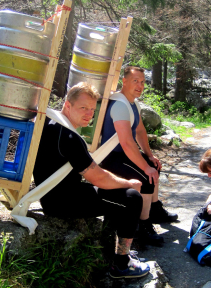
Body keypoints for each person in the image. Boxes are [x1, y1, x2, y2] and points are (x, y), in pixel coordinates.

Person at [33, 82, 150, 279]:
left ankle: (115, 249)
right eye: (83, 108)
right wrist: (129, 183)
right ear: (68, 105)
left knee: (116, 194)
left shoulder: (51, 123)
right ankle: (121, 265)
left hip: (53, 193)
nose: (89, 114)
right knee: (131, 198)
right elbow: (98, 178)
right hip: (61, 202)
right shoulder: (69, 136)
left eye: (92, 110)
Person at [101, 66, 178, 246]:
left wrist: (150, 157)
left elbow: (140, 130)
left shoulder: (133, 103)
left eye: (142, 82)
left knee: (155, 167)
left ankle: (155, 209)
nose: (140, 85)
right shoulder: (120, 105)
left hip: (123, 153)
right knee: (147, 176)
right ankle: (143, 227)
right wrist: (145, 167)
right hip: (111, 157)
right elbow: (127, 143)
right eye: (135, 81)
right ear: (124, 81)